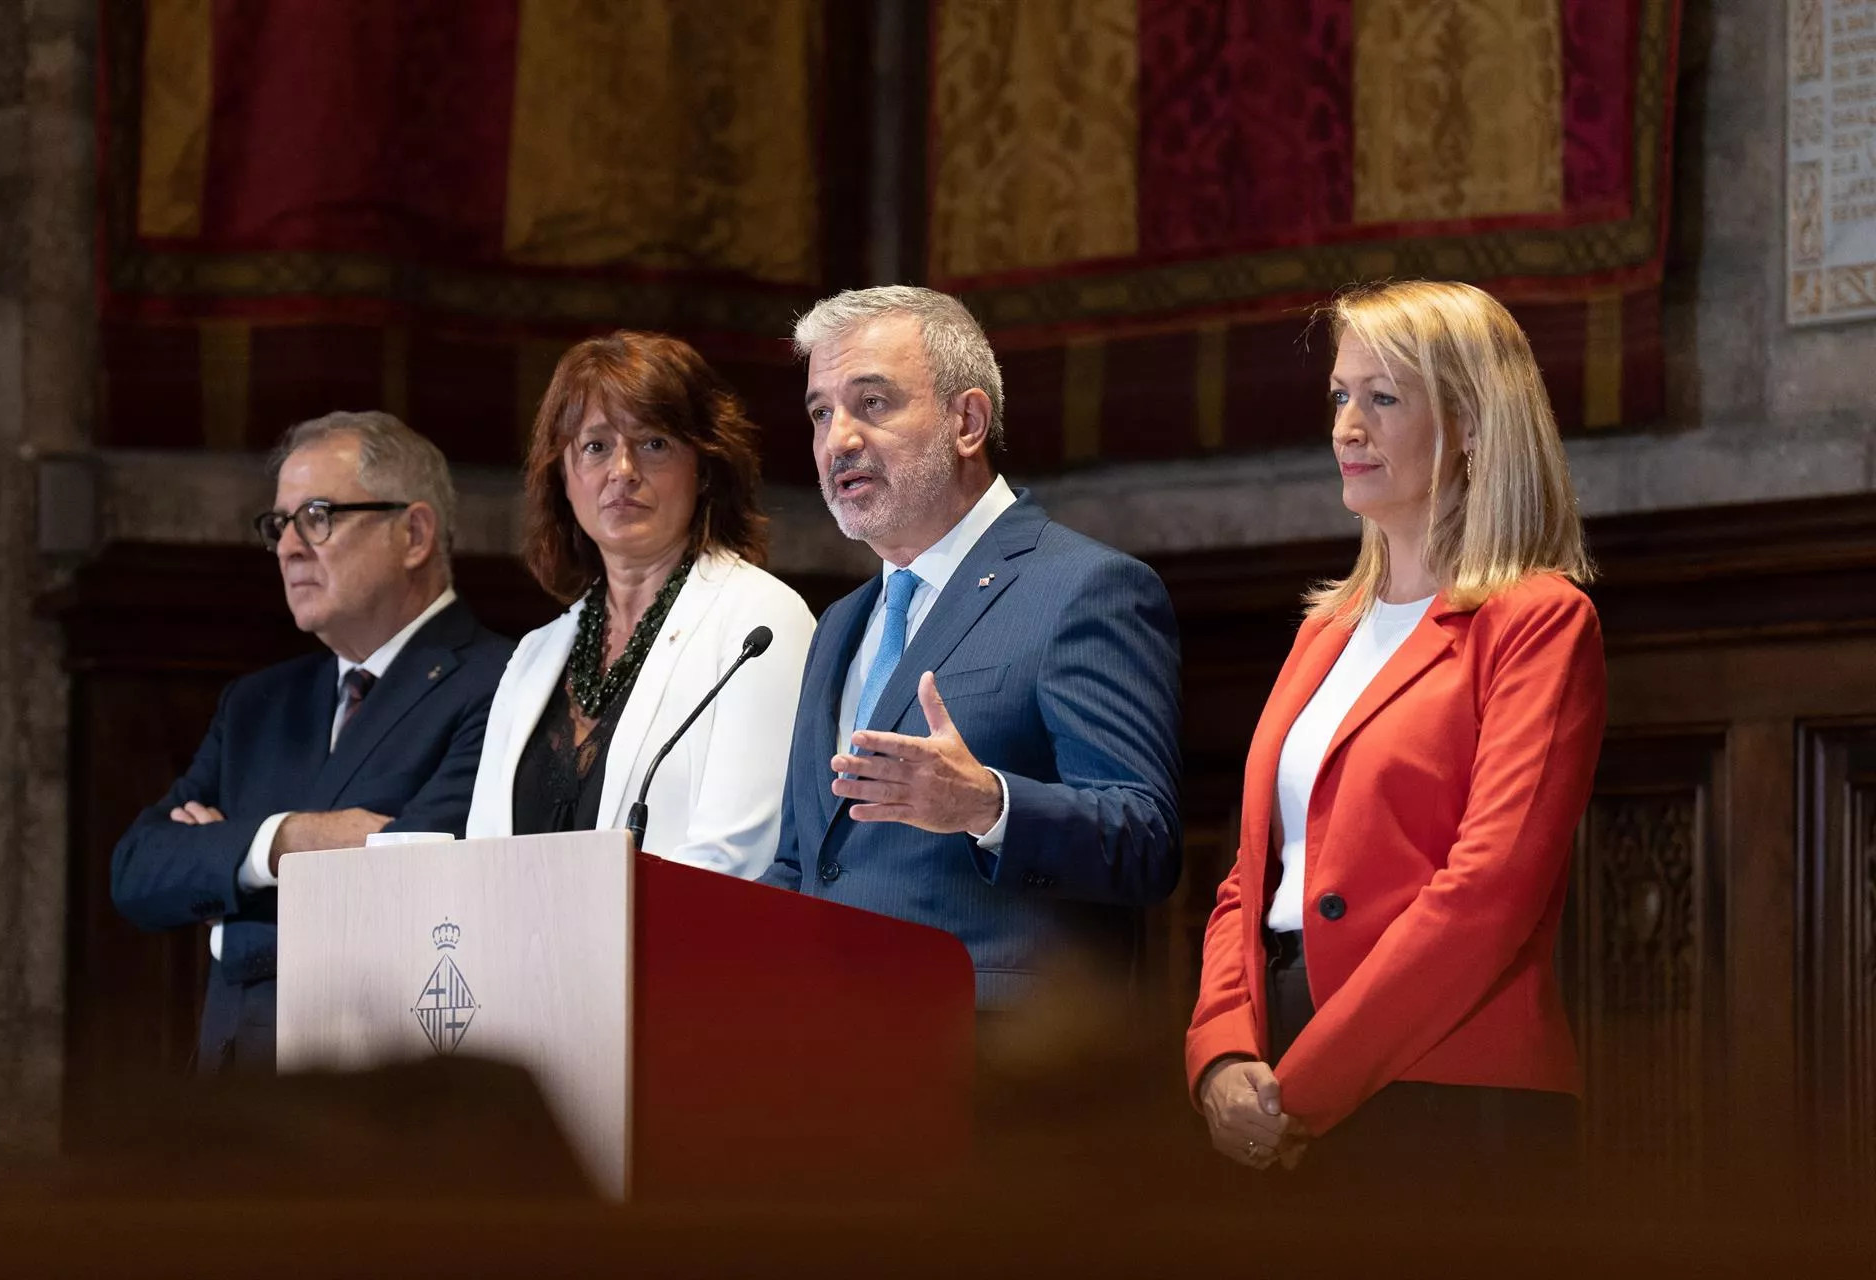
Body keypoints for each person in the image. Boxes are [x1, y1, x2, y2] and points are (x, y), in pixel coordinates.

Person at [1187, 280, 1606, 1200]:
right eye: (1341, 395)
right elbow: (1250, 876)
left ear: (1468, 425)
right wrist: (1220, 1055)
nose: (1347, 425)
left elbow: (1488, 893)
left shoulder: (1538, 620)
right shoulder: (1324, 633)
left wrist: (1304, 1086)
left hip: (1448, 1081)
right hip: (1280, 1066)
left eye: (1383, 398)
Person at [760, 285, 1183, 1009]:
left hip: (998, 1066)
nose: (838, 440)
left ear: (967, 421)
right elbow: (807, 863)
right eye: (821, 412)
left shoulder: (1086, 587)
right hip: (833, 1051)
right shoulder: (838, 625)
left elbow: (1145, 841)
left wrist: (989, 804)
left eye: (873, 404)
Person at [111, 411, 515, 1072]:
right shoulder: (256, 704)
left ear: (414, 533)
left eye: (319, 516)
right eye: (279, 524)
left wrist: (223, 904)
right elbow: (136, 871)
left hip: (377, 1099)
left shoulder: (502, 683)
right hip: (232, 1096)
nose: (288, 547)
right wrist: (286, 842)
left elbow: (408, 900)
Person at [466, 332, 813, 877]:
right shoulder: (535, 656)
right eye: (596, 446)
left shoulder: (759, 622)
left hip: (685, 957)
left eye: (654, 443)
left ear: (704, 469)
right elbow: (481, 858)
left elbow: (738, 857)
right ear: (563, 474)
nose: (622, 470)